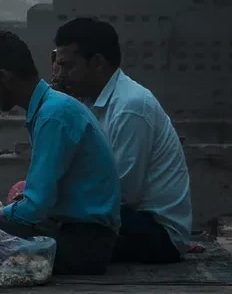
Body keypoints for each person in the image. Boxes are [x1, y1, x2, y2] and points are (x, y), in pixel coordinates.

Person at [0, 32, 121, 275]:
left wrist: (1, 215)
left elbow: (36, 206)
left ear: (6, 77)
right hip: (78, 235)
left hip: (83, 245)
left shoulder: (53, 116)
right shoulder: (53, 107)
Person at [53, 18, 192, 264]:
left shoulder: (131, 107)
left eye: (68, 66)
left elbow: (123, 194)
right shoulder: (86, 102)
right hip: (120, 217)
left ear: (97, 63)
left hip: (156, 232)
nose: (61, 75)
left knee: (53, 232)